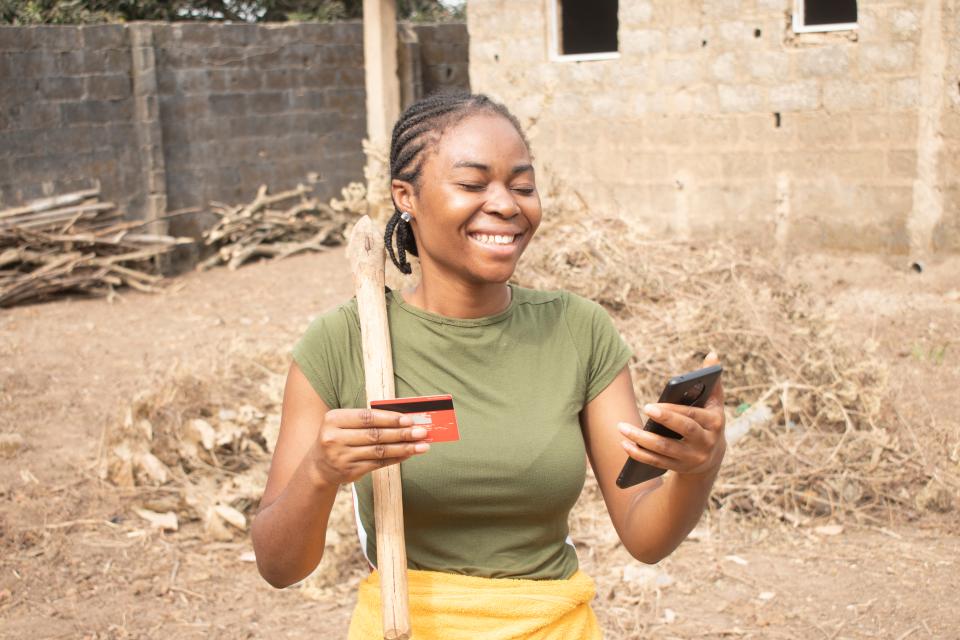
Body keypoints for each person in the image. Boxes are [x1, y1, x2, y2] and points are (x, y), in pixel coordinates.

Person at [251, 93, 726, 639]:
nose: (506, 204)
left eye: (522, 186)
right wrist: (320, 471)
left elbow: (646, 536)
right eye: (473, 185)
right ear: (405, 195)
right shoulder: (345, 341)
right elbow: (278, 567)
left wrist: (697, 468)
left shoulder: (577, 330)